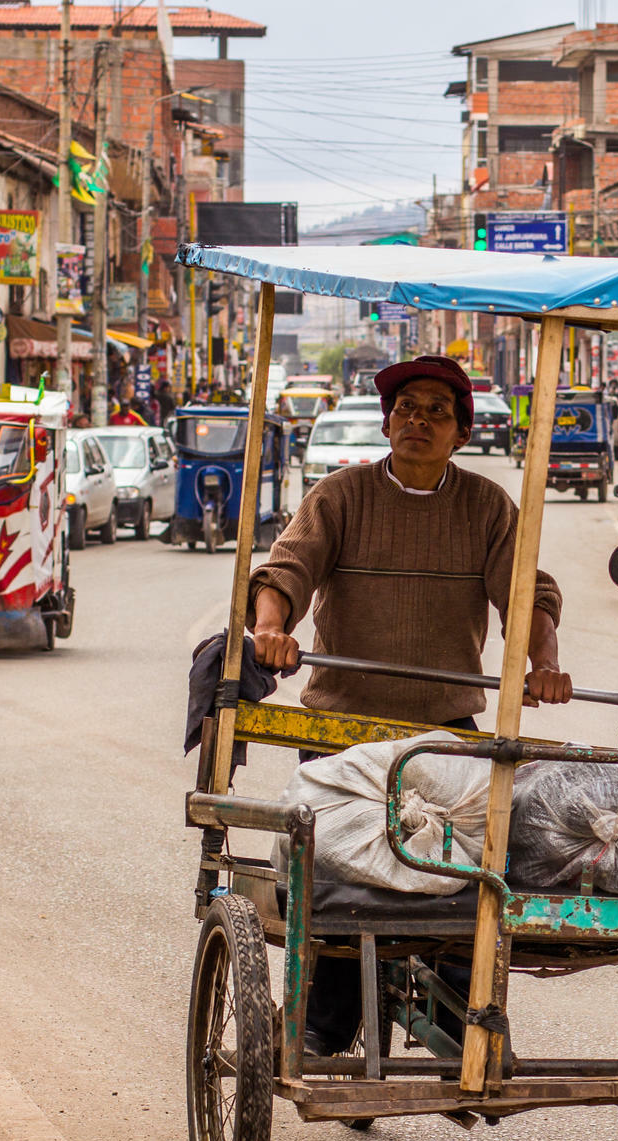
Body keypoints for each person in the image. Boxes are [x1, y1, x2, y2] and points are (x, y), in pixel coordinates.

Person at [247, 355, 573, 1056]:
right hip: (343, 728)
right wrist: (271, 627)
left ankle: (457, 1018)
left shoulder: (485, 506)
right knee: (340, 880)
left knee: (467, 878)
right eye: (405, 409)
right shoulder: (341, 495)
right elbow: (286, 570)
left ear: (460, 433)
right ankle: (323, 1026)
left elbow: (527, 595)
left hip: (443, 735)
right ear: (388, 422)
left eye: (435, 411)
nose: (416, 421)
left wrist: (543, 664)